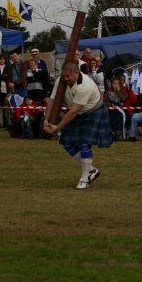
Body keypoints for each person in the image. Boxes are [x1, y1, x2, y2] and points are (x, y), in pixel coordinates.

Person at [43, 61, 111, 189]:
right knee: (67, 142)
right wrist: (46, 120)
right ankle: (91, 170)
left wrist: (57, 127)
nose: (66, 79)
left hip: (92, 112)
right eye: (64, 76)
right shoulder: (61, 80)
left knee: (84, 142)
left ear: (76, 73)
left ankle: (85, 178)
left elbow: (73, 111)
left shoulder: (85, 86)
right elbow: (53, 100)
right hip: (76, 112)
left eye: (68, 76)